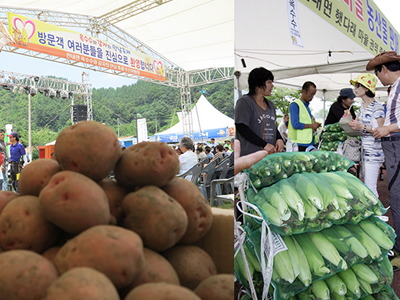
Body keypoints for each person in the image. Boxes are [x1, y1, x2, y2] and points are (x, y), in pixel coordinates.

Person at [368, 51, 400, 270]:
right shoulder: (394, 89)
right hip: (393, 144)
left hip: (396, 144)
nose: (378, 78)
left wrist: (387, 128)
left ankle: (398, 250)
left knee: (396, 196)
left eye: (378, 74)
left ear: (384, 69)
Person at [348, 73, 384, 198]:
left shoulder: (377, 107)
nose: (355, 88)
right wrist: (351, 123)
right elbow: (359, 128)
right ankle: (376, 214)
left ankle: (378, 214)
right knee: (367, 185)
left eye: (358, 85)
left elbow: (380, 130)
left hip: (374, 153)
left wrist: (361, 127)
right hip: (365, 151)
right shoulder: (362, 108)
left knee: (370, 186)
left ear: (367, 88)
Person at [235, 67, 284, 156]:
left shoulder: (270, 105)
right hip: (250, 156)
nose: (272, 85)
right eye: (269, 82)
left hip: (269, 156)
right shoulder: (245, 102)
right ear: (258, 84)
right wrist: (264, 144)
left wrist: (279, 138)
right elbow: (241, 127)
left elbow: (273, 127)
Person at [288, 81, 322, 151]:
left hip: (308, 143)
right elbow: (295, 124)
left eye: (314, 95)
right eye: (311, 94)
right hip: (298, 145)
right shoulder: (295, 105)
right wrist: (312, 125)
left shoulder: (306, 106)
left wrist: (315, 124)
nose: (312, 97)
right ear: (304, 91)